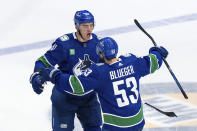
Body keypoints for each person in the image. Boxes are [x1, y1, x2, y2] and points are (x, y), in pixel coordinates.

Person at [39, 37, 168, 131]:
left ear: (100, 54)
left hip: (116, 127)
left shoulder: (99, 72)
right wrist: (157, 52)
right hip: (138, 122)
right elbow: (153, 62)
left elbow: (75, 86)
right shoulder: (132, 61)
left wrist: (54, 75)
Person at [29, 10, 102, 131]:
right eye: (85, 26)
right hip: (64, 98)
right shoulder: (64, 44)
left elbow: (109, 65)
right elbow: (42, 62)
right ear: (76, 26)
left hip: (88, 97)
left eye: (91, 25)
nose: (89, 29)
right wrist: (36, 76)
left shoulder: (98, 43)